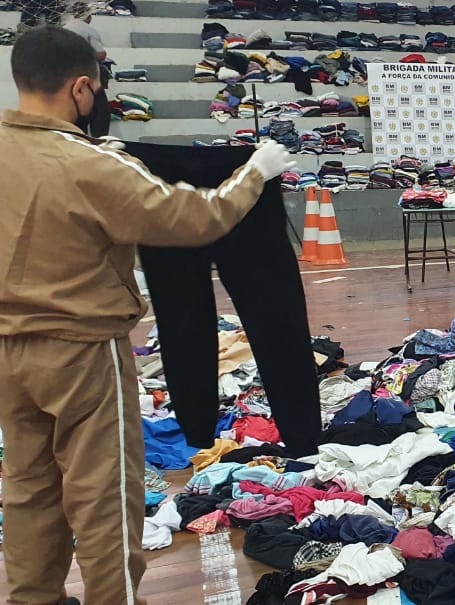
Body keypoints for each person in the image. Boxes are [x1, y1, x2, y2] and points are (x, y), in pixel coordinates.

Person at [0, 27, 296, 605]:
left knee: (29, 485)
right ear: (81, 88)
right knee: (105, 493)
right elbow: (195, 219)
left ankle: (32, 598)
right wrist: (253, 173)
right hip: (81, 352)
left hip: (8, 350)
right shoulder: (91, 163)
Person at [63, 2, 111, 136]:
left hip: (66, 76)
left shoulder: (64, 28)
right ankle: (100, 140)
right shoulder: (88, 30)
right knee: (101, 111)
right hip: (86, 76)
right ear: (88, 15)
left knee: (76, 112)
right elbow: (101, 54)